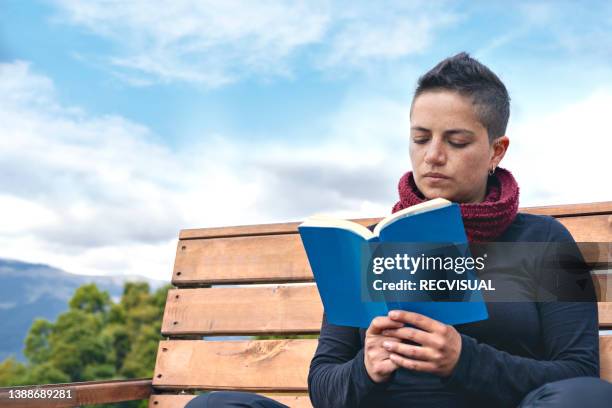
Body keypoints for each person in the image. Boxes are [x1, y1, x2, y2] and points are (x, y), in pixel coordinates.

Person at [185, 53, 612, 408]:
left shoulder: (542, 242)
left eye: (457, 141)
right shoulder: (368, 245)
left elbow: (577, 372)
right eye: (421, 138)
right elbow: (324, 382)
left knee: (586, 398)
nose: (433, 156)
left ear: (495, 150)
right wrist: (365, 367)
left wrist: (465, 360)